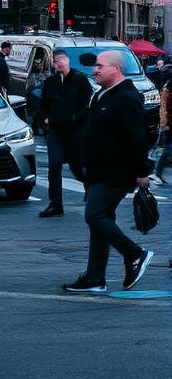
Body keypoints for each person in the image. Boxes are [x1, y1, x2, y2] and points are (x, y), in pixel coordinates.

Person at [65, 51, 158, 293]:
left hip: (116, 172)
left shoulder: (127, 97)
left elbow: (137, 138)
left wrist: (141, 172)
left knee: (95, 216)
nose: (95, 70)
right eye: (95, 66)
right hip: (97, 171)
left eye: (99, 66)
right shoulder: (102, 95)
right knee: (101, 221)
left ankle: (135, 254)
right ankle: (95, 277)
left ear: (115, 69)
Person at [33, 51, 92, 218]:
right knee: (54, 165)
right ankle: (56, 204)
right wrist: (44, 119)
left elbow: (87, 105)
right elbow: (43, 104)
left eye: (59, 61)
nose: (56, 64)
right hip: (55, 132)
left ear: (67, 61)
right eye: (54, 61)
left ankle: (89, 184)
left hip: (75, 132)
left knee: (77, 166)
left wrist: (76, 118)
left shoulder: (80, 80)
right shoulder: (50, 82)